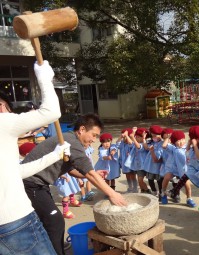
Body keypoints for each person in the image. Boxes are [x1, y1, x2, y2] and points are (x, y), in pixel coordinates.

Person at [22, 113, 127, 255]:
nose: (94, 140)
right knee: (55, 222)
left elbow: (72, 170)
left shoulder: (69, 139)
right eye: (94, 135)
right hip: (31, 183)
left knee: (46, 221)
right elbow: (89, 173)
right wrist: (112, 194)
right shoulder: (71, 141)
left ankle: (50, 246)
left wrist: (95, 174)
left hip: (38, 184)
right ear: (82, 129)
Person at [0, 60, 71, 255]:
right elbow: (51, 112)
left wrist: (55, 155)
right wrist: (44, 77)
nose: (7, 112)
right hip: (15, 222)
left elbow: (17, 172)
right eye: (5, 106)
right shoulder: (2, 121)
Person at [160, 130, 196, 208]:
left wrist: (190, 144)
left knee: (187, 184)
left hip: (183, 169)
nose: (181, 142)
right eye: (178, 141)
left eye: (182, 139)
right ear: (173, 142)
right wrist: (168, 138)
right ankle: (163, 193)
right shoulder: (172, 148)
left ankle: (189, 198)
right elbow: (164, 146)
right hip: (172, 168)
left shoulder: (187, 147)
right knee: (166, 178)